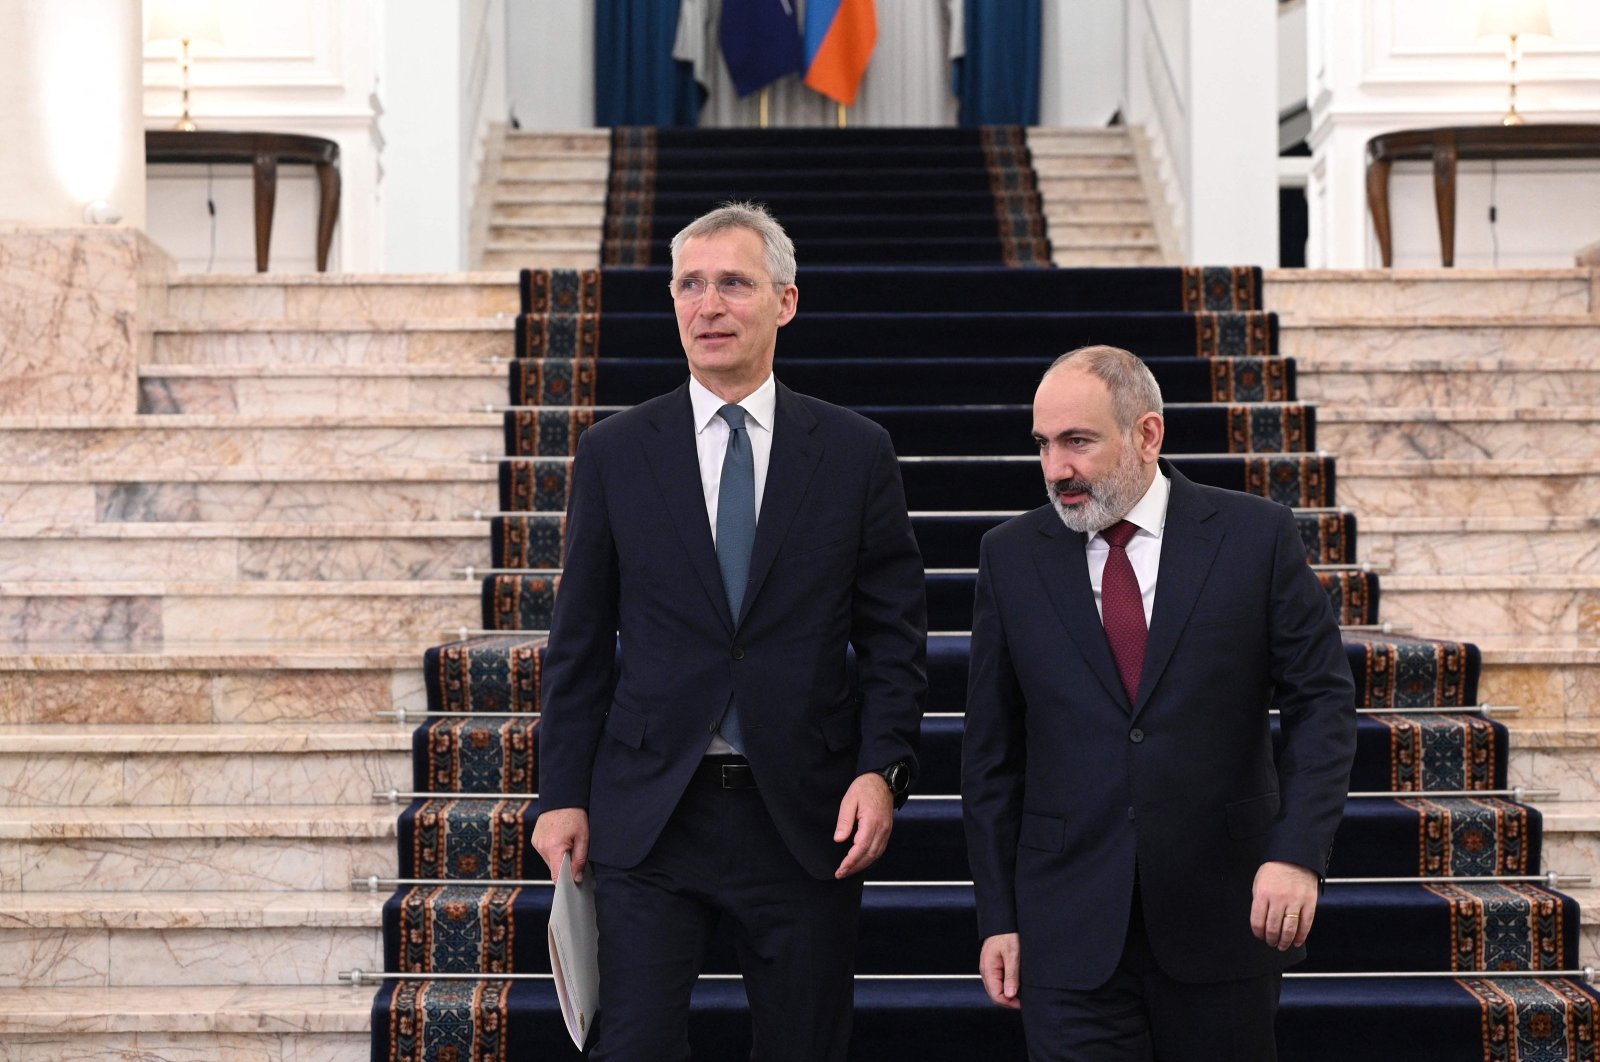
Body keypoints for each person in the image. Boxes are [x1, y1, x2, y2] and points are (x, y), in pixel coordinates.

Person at [532, 202, 927, 1061]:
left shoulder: (856, 452)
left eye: (733, 284)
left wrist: (881, 770)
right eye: (689, 284)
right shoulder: (615, 452)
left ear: (785, 302)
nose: (707, 305)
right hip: (649, 813)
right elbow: (579, 642)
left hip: (805, 813)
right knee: (632, 1045)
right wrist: (560, 790)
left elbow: (895, 639)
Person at [961, 345, 1357, 1061]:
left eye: (1077, 442)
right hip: (1066, 926)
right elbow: (992, 754)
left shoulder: (1254, 536)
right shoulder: (1010, 555)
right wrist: (999, 915)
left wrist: (1298, 853)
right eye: (1044, 445)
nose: (1056, 469)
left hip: (1223, 914)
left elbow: (1322, 704)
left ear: (1147, 434)